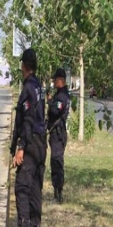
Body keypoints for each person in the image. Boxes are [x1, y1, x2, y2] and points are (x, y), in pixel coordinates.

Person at [9, 48, 47, 227]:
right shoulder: (38, 86)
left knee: (22, 188)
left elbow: (28, 119)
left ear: (23, 66)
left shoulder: (28, 88)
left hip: (31, 144)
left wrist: (21, 147)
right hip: (41, 143)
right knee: (35, 189)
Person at [47, 68, 70, 204]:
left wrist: (50, 102)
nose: (54, 82)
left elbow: (56, 110)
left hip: (58, 134)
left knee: (57, 162)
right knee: (54, 163)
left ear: (60, 80)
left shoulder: (62, 96)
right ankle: (56, 192)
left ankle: (59, 193)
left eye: (55, 79)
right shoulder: (60, 94)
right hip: (55, 133)